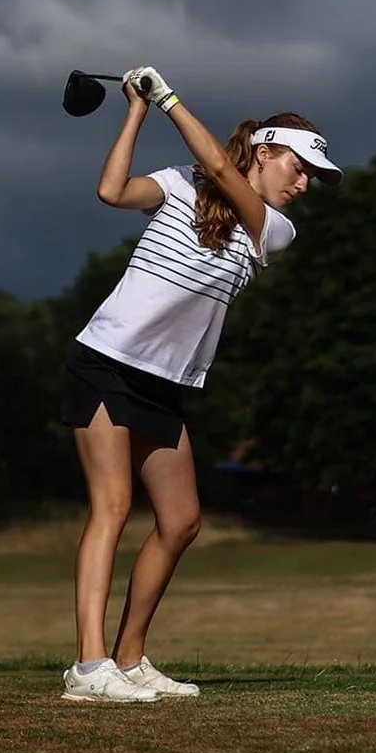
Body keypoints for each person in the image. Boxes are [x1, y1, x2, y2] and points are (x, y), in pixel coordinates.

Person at [58, 63, 340, 703]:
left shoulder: (276, 231)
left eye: (312, 177)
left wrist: (170, 99)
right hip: (105, 358)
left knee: (181, 521)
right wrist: (137, 109)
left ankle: (129, 662)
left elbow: (219, 170)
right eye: (298, 168)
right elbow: (111, 192)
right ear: (265, 151)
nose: (304, 184)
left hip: (163, 382)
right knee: (114, 506)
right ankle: (88, 666)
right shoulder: (180, 182)